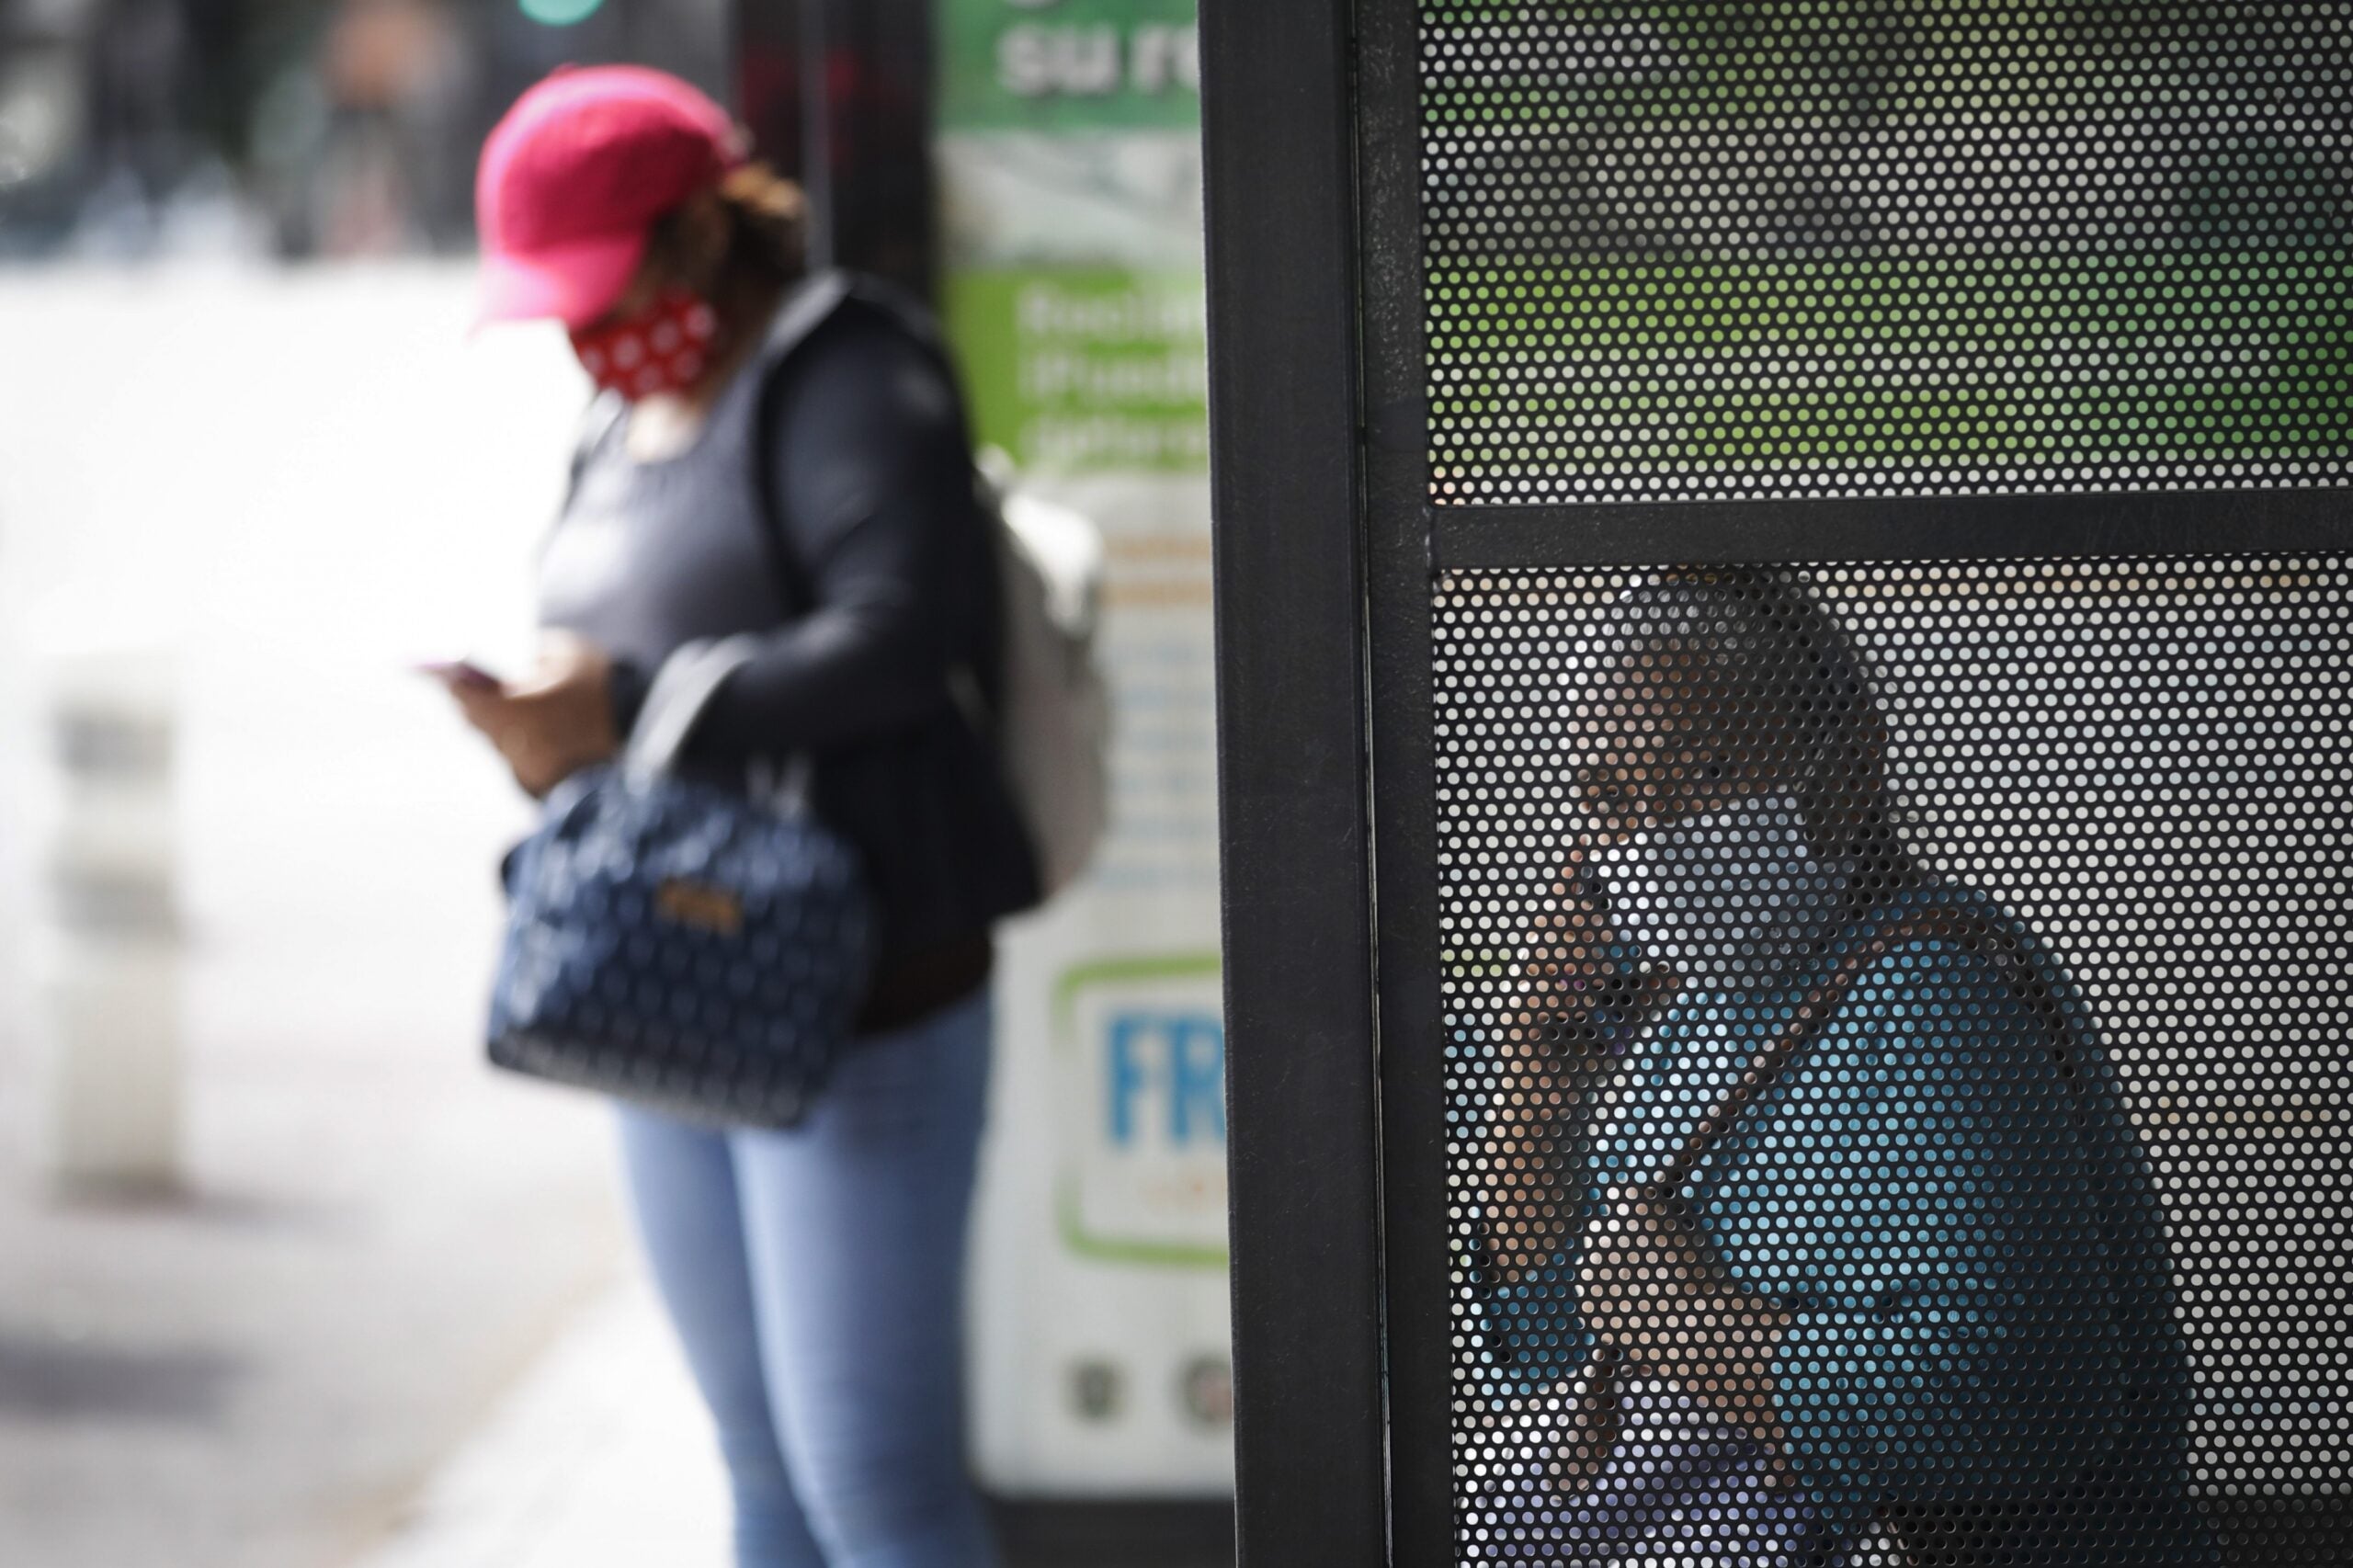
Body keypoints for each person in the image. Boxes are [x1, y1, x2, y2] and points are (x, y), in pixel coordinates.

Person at [438, 66, 1035, 1568]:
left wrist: (631, 703)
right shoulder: (616, 410)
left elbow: (903, 633)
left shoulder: (849, 368)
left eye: (600, 284)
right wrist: (545, 729)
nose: (583, 329)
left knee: (871, 1483)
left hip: (862, 994)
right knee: (762, 1472)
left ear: (703, 233)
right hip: (674, 988)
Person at [1468, 571, 2212, 1565]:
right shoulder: (1690, 1005)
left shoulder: (1936, 989)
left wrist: (1695, 1331)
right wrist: (1541, 1090)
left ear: (1851, 770)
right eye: (1610, 799)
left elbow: (2037, 1402)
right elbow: (1548, 1343)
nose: (1654, 837)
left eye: (1706, 774)